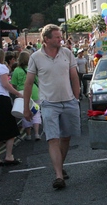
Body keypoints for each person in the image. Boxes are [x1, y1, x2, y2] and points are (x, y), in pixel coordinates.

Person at [24, 24, 81, 190]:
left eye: (60, 36)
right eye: (57, 37)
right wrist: (26, 107)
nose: (60, 39)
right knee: (53, 139)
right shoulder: (36, 57)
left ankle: (59, 167)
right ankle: (58, 176)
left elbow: (74, 77)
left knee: (66, 138)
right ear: (46, 39)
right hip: (48, 103)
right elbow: (28, 83)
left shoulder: (67, 53)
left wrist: (76, 98)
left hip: (69, 101)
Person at [12, 51, 42, 141]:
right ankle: (36, 133)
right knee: (36, 111)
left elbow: (14, 84)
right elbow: (37, 80)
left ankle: (28, 135)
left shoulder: (16, 70)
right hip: (35, 91)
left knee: (25, 113)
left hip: (23, 93)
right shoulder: (32, 68)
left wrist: (16, 92)